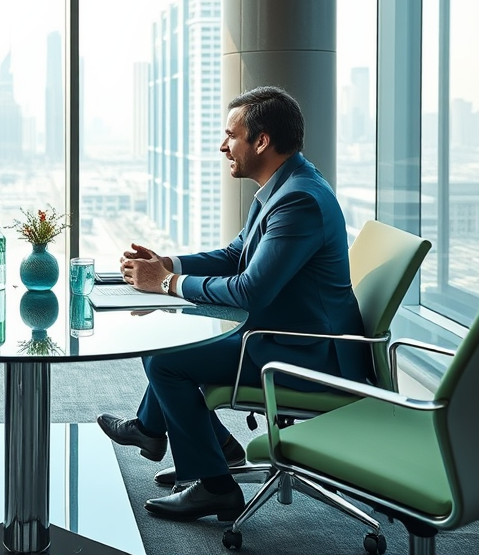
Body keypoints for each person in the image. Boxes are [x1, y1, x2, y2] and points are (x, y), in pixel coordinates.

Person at [97, 86, 372, 522]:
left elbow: (249, 291)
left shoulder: (298, 201)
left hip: (306, 354)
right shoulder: (283, 185)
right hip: (288, 332)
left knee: (166, 360)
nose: (222, 145)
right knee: (168, 344)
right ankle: (203, 444)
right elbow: (234, 255)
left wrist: (168, 283)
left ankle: (214, 485)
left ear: (261, 141)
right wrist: (170, 262)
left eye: (231, 135)